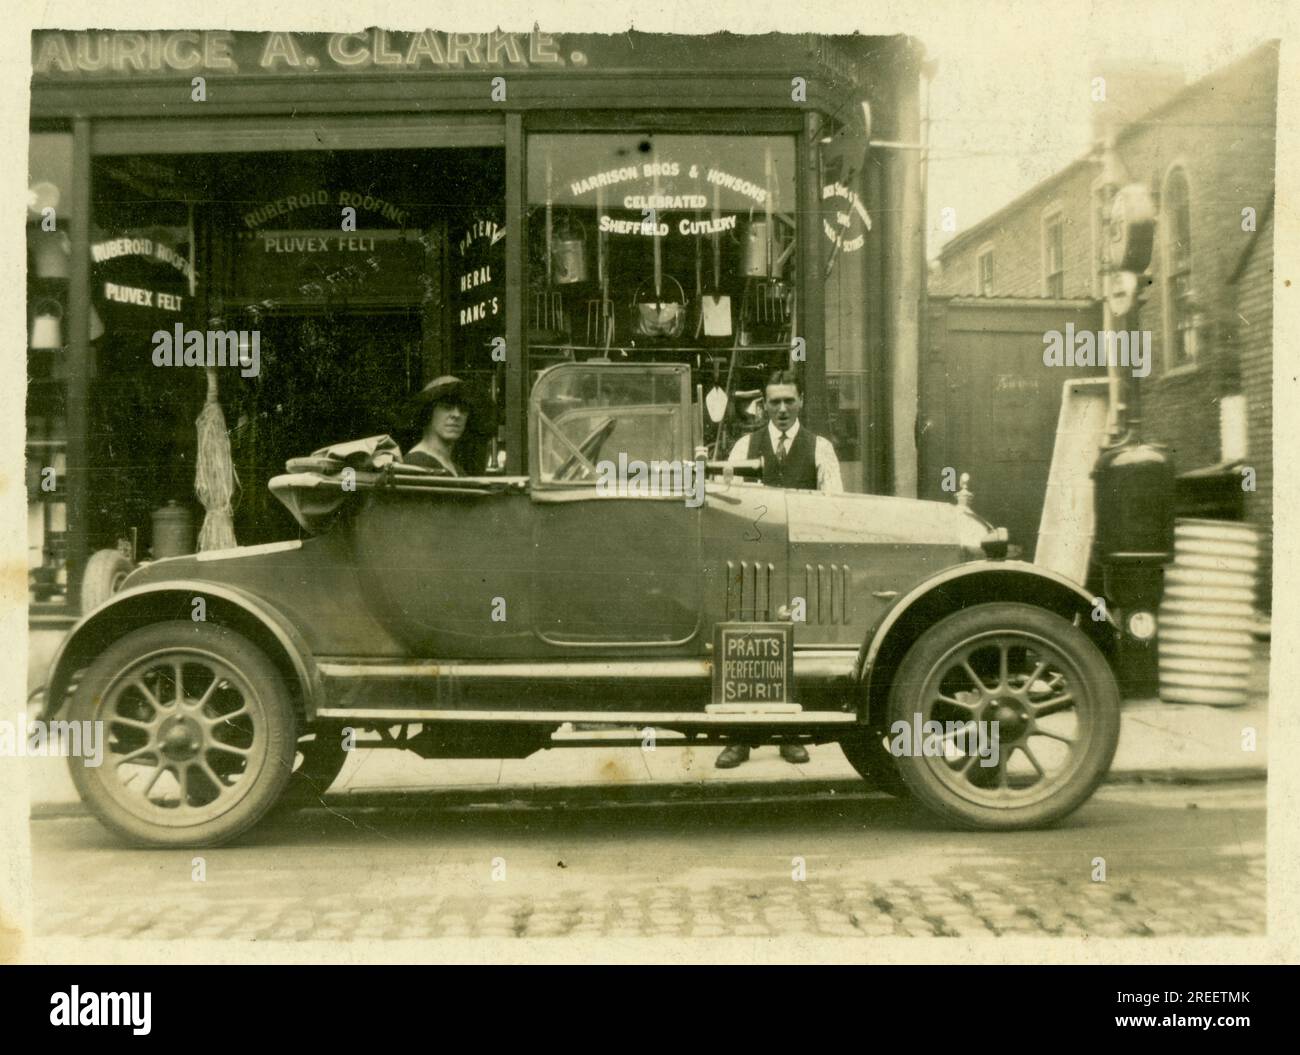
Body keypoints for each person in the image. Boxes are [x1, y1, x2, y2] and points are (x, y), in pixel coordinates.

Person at [715, 369, 843, 769]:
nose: (782, 409)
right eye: (775, 402)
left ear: (800, 401)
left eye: (789, 400)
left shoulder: (820, 448)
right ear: (764, 406)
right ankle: (740, 738)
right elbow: (728, 502)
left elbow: (833, 506)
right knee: (745, 643)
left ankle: (790, 735)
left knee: (792, 641)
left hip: (800, 561)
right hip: (752, 560)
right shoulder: (743, 447)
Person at [403, 375, 470, 476]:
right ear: (428, 412)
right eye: (447, 407)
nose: (457, 415)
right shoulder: (415, 464)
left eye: (463, 409)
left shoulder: (458, 471)